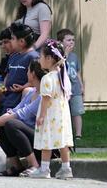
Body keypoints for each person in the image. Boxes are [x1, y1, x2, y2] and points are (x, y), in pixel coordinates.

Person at [0, 60, 45, 177]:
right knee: (2, 124)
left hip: (43, 141)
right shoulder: (31, 93)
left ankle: (34, 165)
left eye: (28, 70)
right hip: (29, 138)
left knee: (11, 124)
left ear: (33, 74)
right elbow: (14, 110)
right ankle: (16, 166)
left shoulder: (43, 96)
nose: (26, 73)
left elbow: (20, 114)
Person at [0, 23, 39, 141]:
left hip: (22, 98)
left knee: (28, 91)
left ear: (21, 42)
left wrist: (23, 87)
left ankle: (21, 136)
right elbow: (6, 77)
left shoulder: (33, 57)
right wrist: (3, 89)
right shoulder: (13, 56)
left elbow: (38, 80)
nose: (10, 42)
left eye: (12, 39)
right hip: (8, 95)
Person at [30, 39, 73, 179]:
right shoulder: (62, 77)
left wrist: (41, 116)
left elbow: (46, 100)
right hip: (61, 115)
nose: (39, 59)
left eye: (41, 56)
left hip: (50, 115)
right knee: (62, 142)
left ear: (49, 58)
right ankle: (66, 168)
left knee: (46, 142)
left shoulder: (47, 78)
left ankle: (44, 169)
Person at [57, 29, 85, 140]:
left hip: (75, 88)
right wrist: (65, 54)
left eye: (73, 40)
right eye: (68, 40)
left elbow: (77, 72)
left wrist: (81, 85)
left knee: (77, 111)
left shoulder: (74, 56)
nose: (72, 42)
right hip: (63, 89)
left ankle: (78, 134)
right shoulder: (57, 55)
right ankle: (65, 132)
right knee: (64, 112)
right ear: (60, 42)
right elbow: (58, 66)